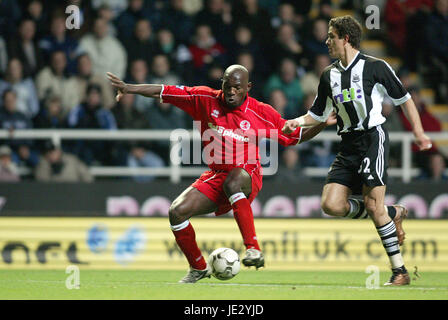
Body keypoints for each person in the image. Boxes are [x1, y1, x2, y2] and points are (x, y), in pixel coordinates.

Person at [107, 64, 334, 283]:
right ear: (222, 84)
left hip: (247, 173)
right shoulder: (205, 99)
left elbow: (294, 138)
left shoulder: (261, 112)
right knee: (177, 212)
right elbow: (164, 91)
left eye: (238, 88)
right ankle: (197, 268)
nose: (232, 92)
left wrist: (322, 123)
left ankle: (253, 249)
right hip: (217, 174)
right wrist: (129, 88)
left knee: (234, 182)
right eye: (228, 87)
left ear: (248, 88)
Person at [283, 16, 433, 286]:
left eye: (331, 36)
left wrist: (419, 133)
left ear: (346, 38)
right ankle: (393, 212)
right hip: (348, 144)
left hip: (372, 139)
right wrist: (296, 120)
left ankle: (400, 271)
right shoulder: (329, 75)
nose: (327, 41)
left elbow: (405, 99)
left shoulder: (375, 67)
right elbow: (317, 114)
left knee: (374, 207)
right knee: (331, 204)